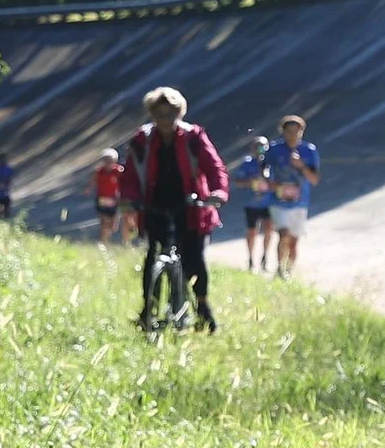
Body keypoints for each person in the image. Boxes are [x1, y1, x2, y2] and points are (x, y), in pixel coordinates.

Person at [116, 86, 230, 332]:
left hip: (191, 208)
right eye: (160, 114)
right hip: (154, 206)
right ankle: (148, 309)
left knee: (195, 261)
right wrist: (128, 199)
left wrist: (218, 192)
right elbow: (130, 177)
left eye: (170, 114)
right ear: (152, 115)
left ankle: (202, 309)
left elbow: (215, 167)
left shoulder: (193, 137)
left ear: (180, 113)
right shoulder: (142, 140)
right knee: (152, 258)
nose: (166, 120)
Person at [263, 116, 321, 276]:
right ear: (283, 132)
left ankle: (289, 271)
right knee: (284, 234)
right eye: (289, 132)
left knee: (294, 242)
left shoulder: (309, 150)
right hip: (278, 200)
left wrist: (301, 165)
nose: (293, 135)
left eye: (297, 131)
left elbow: (315, 179)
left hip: (300, 202)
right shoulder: (274, 149)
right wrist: (270, 182)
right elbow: (263, 169)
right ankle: (280, 269)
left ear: (302, 132)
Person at [231, 136, 274, 270]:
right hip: (251, 203)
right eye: (257, 147)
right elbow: (237, 181)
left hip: (268, 202)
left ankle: (265, 256)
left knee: (269, 229)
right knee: (252, 231)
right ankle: (250, 258)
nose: (260, 150)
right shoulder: (247, 163)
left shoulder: (271, 163)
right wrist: (249, 182)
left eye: (263, 147)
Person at [91, 149, 125, 243]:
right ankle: (103, 241)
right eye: (105, 161)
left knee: (113, 226)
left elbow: (124, 183)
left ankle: (107, 238)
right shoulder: (99, 171)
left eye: (110, 161)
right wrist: (89, 189)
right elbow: (93, 181)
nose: (108, 163)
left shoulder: (119, 171)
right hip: (102, 198)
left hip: (114, 199)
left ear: (114, 161)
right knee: (104, 221)